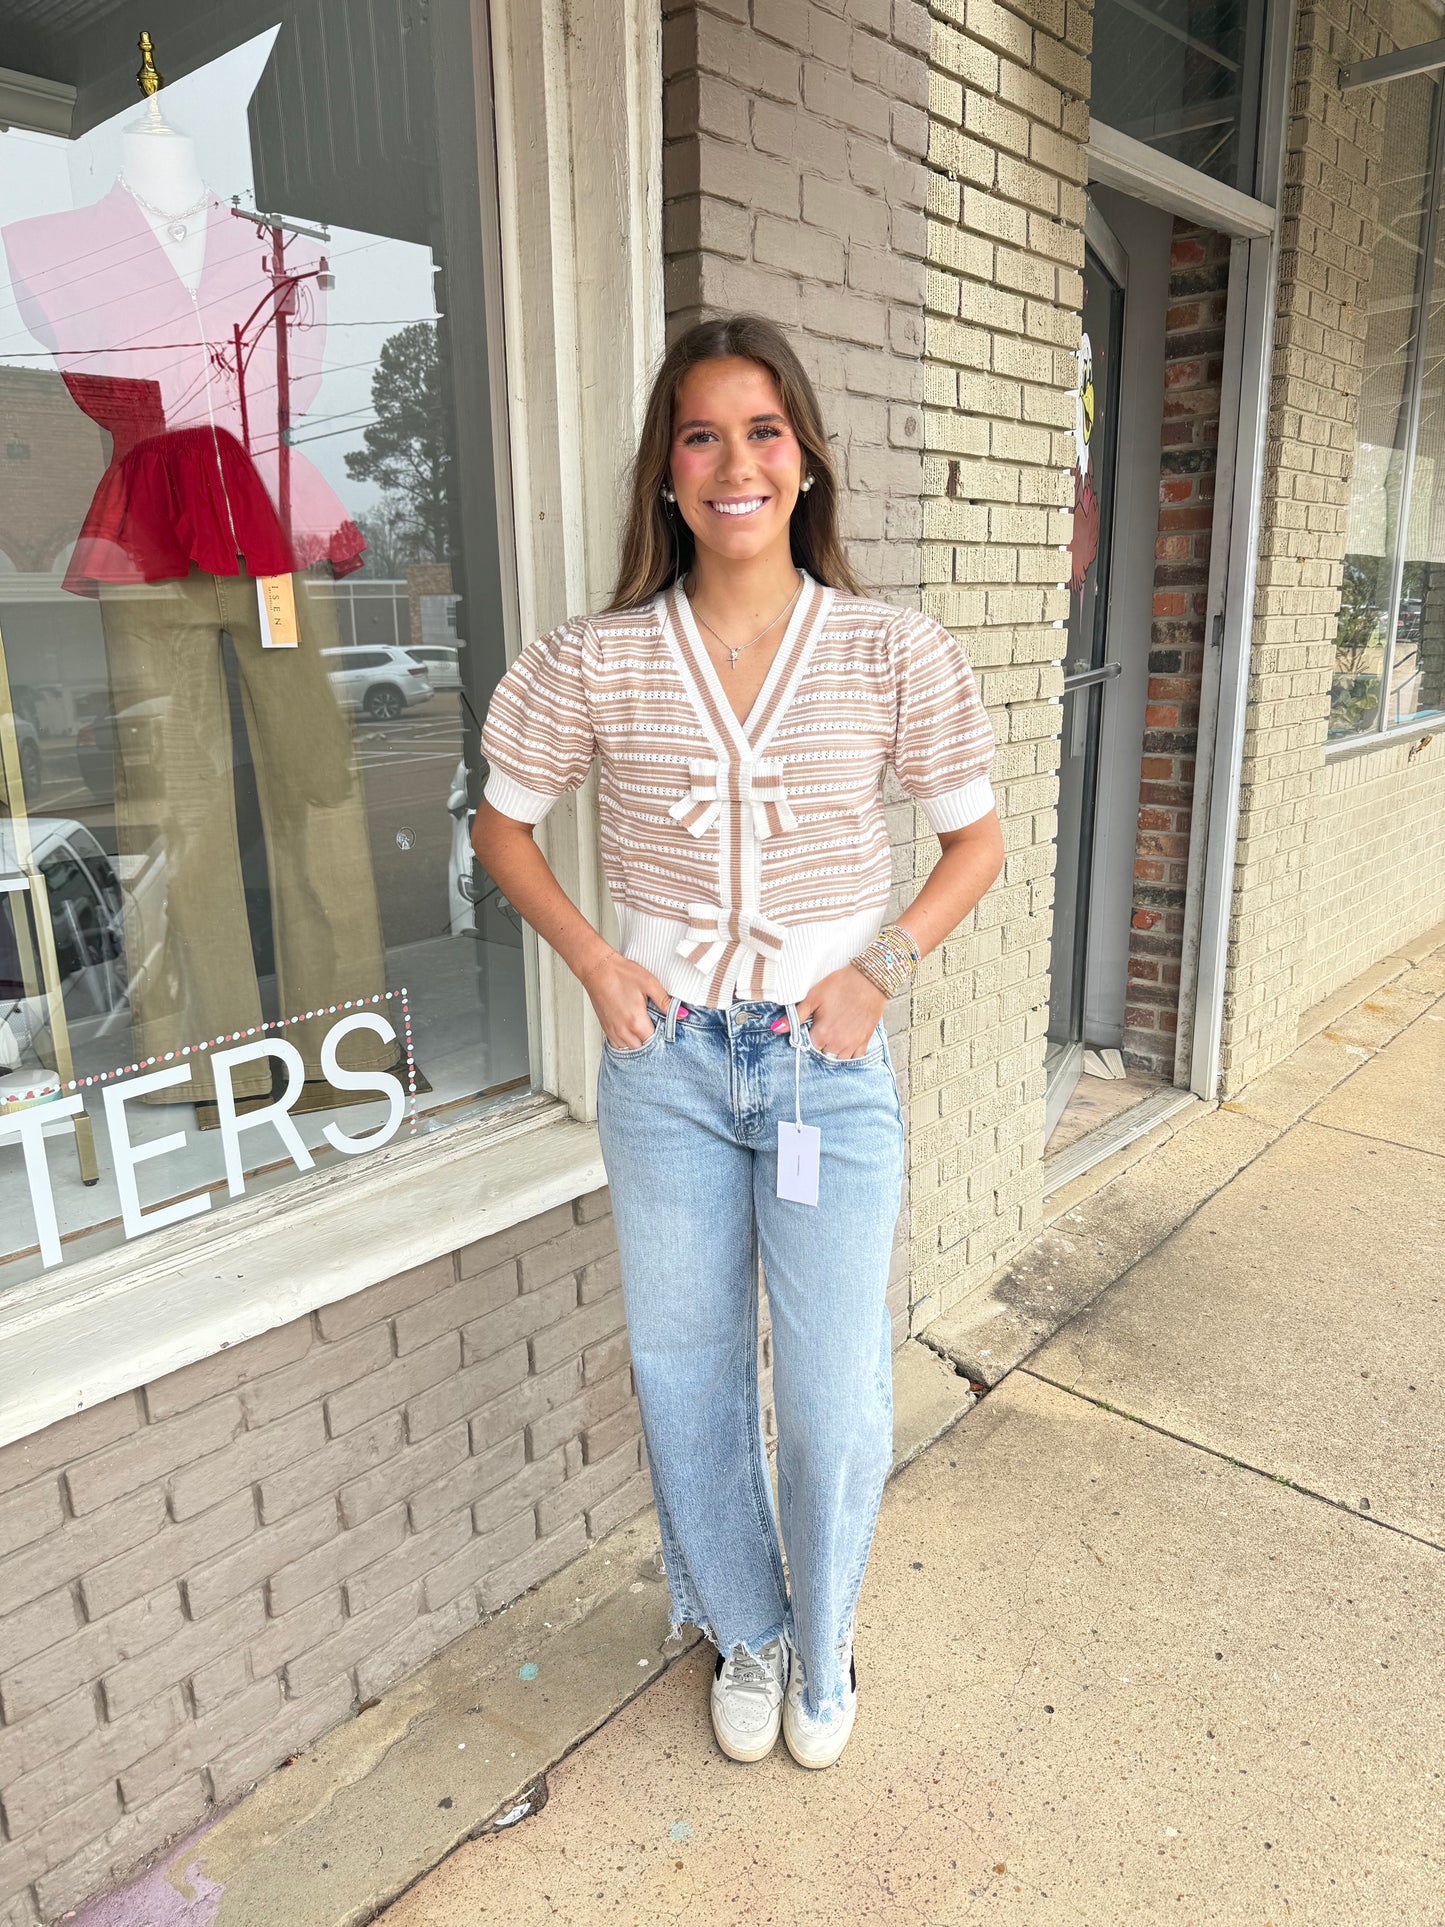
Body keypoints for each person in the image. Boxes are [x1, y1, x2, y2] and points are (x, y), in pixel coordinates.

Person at [475, 313, 1003, 1769]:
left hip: (825, 1072)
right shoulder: (595, 658)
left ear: (805, 459)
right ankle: (748, 1630)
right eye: (700, 434)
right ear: (665, 471)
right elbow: (499, 824)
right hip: (668, 1074)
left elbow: (974, 838)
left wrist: (881, 971)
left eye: (761, 431)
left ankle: (822, 1635)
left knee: (831, 1383)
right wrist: (592, 961)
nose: (732, 463)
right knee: (685, 1368)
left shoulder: (891, 650)